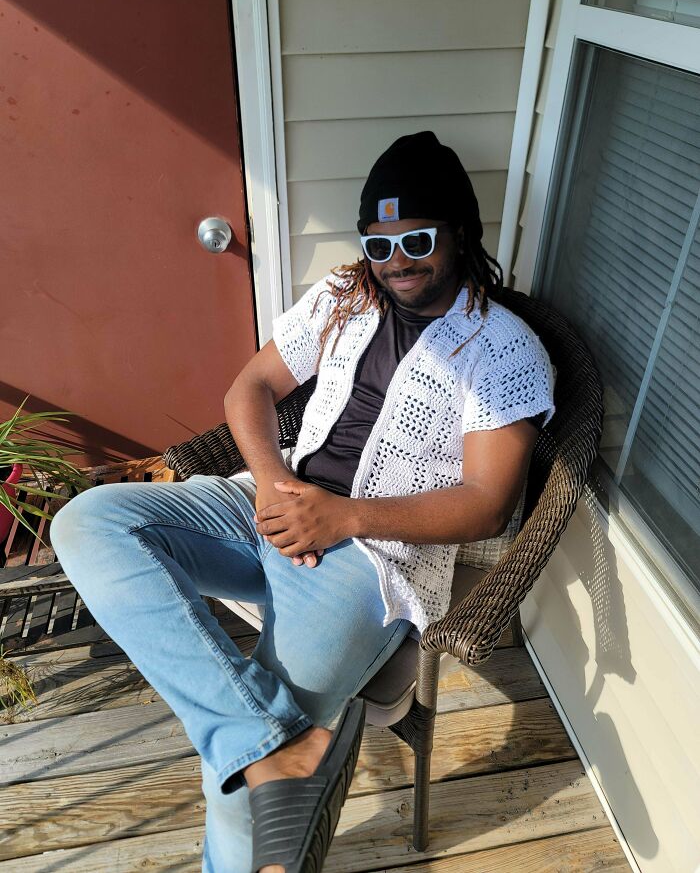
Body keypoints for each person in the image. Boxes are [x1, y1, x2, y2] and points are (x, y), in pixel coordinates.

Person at [50, 131, 556, 873]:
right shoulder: (344, 294)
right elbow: (249, 389)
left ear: (459, 232)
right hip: (272, 503)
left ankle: (256, 758)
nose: (397, 261)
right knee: (87, 523)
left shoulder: (504, 349)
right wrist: (275, 485)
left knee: (232, 789)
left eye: (416, 238)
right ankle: (272, 743)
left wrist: (344, 516)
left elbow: (485, 503)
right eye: (378, 243)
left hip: (373, 558)